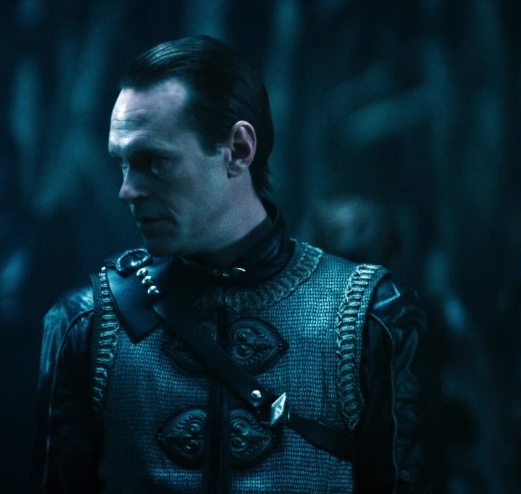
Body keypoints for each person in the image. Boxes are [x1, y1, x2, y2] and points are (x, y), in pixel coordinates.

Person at [32, 35, 427, 493]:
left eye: (154, 163)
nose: (127, 191)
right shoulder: (86, 324)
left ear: (238, 149)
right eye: (123, 164)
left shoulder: (371, 317)